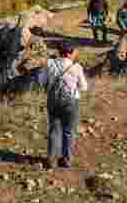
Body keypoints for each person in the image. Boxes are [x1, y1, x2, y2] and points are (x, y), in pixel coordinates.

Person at [38, 41, 88, 169]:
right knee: (69, 132)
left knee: (54, 130)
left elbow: (41, 81)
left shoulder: (49, 64)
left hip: (53, 100)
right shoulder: (76, 67)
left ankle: (51, 160)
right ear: (69, 53)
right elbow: (83, 87)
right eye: (75, 51)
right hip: (71, 102)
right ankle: (66, 160)